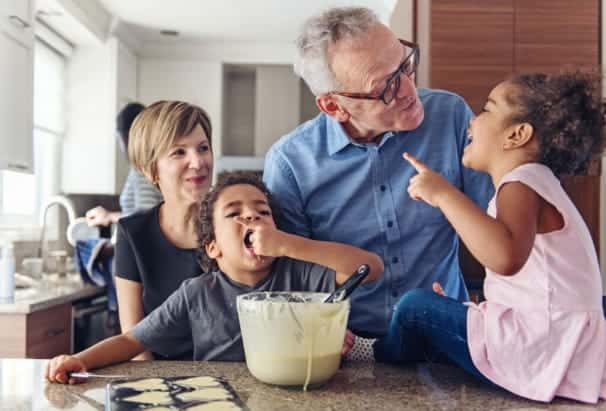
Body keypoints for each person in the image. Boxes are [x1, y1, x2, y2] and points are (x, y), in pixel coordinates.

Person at [373, 71, 606, 403]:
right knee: (443, 313)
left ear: (517, 134)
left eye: (486, 109)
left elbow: (505, 257)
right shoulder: (539, 184)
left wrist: (443, 194)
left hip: (540, 346)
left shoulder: (521, 183)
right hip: (559, 342)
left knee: (414, 308)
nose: (472, 122)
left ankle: (375, 353)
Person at [263, 7, 493, 336]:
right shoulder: (290, 164)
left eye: (405, 66)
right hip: (347, 348)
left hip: (447, 332)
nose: (409, 90)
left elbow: (496, 225)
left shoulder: (451, 116)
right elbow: (294, 275)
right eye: (385, 87)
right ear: (334, 106)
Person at [44, 171, 384, 383]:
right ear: (213, 248)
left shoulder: (300, 273)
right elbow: (133, 341)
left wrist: (290, 245)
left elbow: (370, 268)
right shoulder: (196, 294)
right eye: (235, 214)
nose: (251, 215)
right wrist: (80, 360)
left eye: (262, 212)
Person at [113, 101, 214, 360]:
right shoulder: (132, 233)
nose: (198, 161)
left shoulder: (235, 225)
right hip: (158, 382)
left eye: (203, 148)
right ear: (150, 170)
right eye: (179, 152)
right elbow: (134, 339)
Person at [85, 102, 162, 227]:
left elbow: (146, 216)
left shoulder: (143, 167)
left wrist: (109, 216)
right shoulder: (148, 164)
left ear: (125, 137)